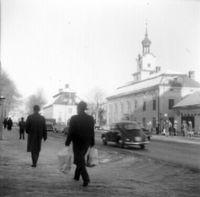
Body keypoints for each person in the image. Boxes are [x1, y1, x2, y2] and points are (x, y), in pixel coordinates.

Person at [65, 101, 95, 187]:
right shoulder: (90, 118)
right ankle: (76, 176)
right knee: (80, 158)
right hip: (86, 141)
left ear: (79, 109)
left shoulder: (74, 118)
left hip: (77, 141)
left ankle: (86, 178)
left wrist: (68, 141)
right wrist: (92, 142)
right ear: (85, 109)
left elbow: (71, 131)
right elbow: (92, 131)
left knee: (79, 159)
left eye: (77, 108)